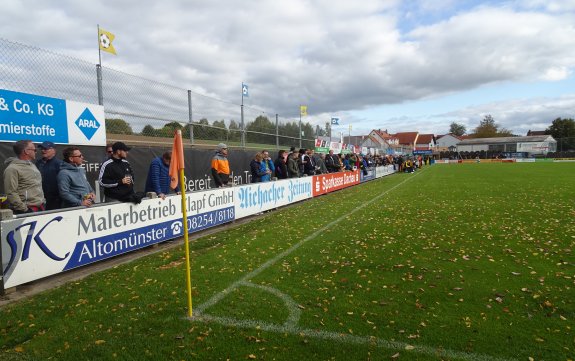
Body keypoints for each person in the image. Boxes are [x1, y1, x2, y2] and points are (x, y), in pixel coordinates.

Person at [3, 140, 45, 214]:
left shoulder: (32, 165)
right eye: (34, 150)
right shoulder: (12, 169)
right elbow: (11, 192)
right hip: (26, 211)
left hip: (39, 208)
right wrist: (24, 209)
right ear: (26, 151)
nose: (36, 152)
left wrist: (43, 201)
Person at [36, 141, 62, 210]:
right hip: (39, 199)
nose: (43, 150)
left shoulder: (59, 164)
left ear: (53, 150)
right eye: (42, 149)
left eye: (45, 148)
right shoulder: (38, 163)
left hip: (55, 201)